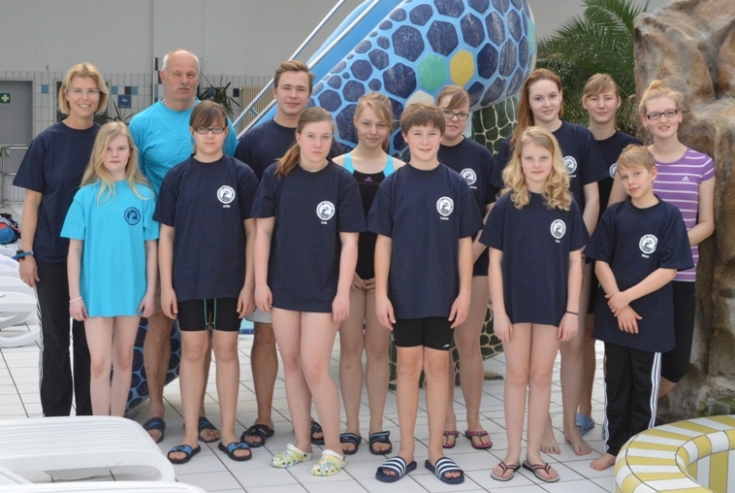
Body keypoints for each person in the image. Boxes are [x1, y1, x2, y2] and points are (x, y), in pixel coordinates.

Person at [493, 68, 607, 455]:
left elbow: (591, 198)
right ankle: (539, 432)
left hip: (574, 254)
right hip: (528, 265)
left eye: (551, 96)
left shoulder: (579, 137)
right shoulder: (517, 142)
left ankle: (571, 425)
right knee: (527, 362)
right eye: (537, 98)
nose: (545, 103)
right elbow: (505, 203)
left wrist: (579, 249)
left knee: (572, 344)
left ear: (561, 97)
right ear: (529, 102)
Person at [370, 102, 482, 485]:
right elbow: (382, 243)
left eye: (431, 133)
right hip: (403, 293)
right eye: (416, 133)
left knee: (437, 368)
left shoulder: (455, 184)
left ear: (441, 135)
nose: (424, 140)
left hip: (442, 293)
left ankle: (436, 453)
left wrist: (465, 292)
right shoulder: (394, 184)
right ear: (405, 138)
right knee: (406, 368)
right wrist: (381, 294)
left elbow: (466, 243)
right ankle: (406, 451)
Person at [129, 48, 237, 443]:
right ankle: (156, 407)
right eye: (177, 73)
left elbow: (227, 172)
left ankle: (200, 411)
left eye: (192, 73)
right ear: (162, 76)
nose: (185, 80)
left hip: (210, 246)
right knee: (159, 320)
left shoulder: (216, 120)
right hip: (162, 240)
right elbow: (133, 181)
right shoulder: (141, 125)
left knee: (204, 331)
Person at [251, 107, 365, 476]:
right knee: (294, 366)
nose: (318, 144)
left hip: (323, 290)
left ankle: (333, 448)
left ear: (333, 140)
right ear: (297, 138)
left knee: (316, 367)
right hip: (284, 288)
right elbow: (263, 232)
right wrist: (261, 282)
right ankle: (301, 442)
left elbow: (350, 243)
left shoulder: (342, 181)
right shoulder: (276, 175)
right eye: (311, 136)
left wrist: (342, 292)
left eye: (325, 137)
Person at [155, 102, 258, 464]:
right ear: (192, 133)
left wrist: (249, 285)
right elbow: (165, 236)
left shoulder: (241, 175)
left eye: (217, 130)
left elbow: (252, 233)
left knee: (227, 352)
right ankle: (189, 435)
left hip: (229, 282)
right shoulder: (177, 177)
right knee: (194, 353)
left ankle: (228, 433)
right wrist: (167, 286)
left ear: (226, 133)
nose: (211, 136)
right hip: (188, 281)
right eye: (204, 130)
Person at [484, 126, 586, 483]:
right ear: (520, 162)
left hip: (552, 307)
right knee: (516, 376)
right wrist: (498, 310)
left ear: (553, 160)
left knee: (541, 377)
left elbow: (576, 262)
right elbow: (494, 262)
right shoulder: (505, 205)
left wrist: (572, 310)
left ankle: (533, 453)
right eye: (530, 158)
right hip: (514, 305)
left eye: (543, 158)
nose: (537, 164)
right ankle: (512, 453)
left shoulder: (566, 205)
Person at [235, 60, 328, 447]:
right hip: (268, 261)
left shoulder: (323, 140)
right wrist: (254, 275)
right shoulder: (254, 142)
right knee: (265, 337)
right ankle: (263, 416)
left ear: (309, 94)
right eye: (286, 88)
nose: (293, 95)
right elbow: (248, 211)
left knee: (309, 349)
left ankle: (308, 419)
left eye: (300, 89)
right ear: (275, 91)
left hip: (312, 266)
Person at [586, 145, 693, 471]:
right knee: (616, 383)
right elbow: (600, 260)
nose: (631, 181)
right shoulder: (614, 215)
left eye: (637, 174)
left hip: (651, 320)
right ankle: (613, 447)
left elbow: (669, 270)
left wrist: (626, 298)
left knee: (644, 387)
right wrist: (618, 303)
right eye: (625, 176)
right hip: (616, 318)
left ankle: (637, 451)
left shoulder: (669, 216)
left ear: (652, 174)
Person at [14, 62, 109, 417]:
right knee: (55, 340)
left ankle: (89, 412)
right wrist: (26, 253)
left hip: (94, 257)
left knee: (89, 341)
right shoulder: (47, 142)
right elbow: (33, 202)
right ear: (65, 95)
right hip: (53, 253)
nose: (85, 98)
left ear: (100, 97)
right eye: (78, 90)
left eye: (91, 91)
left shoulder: (106, 140)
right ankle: (54, 416)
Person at [609, 80, 715, 397]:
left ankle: (641, 409)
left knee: (675, 363)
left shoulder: (701, 164)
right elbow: (613, 215)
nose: (663, 119)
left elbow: (707, 223)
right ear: (645, 120)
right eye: (655, 115)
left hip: (679, 275)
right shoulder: (633, 164)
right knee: (629, 355)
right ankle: (625, 422)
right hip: (635, 276)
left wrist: (670, 251)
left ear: (680, 116)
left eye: (669, 112)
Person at [61, 122, 158, 417]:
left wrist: (151, 292)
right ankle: (100, 426)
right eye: (109, 149)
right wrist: (75, 296)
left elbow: (151, 248)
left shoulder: (143, 196)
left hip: (131, 291)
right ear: (99, 153)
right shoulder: (86, 196)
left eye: (121, 148)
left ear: (130, 152)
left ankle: (118, 423)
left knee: (125, 359)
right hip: (96, 292)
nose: (115, 154)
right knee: (100, 363)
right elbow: (74, 250)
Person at [333, 92, 405, 456]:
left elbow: (403, 233)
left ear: (389, 127)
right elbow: (330, 232)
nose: (373, 130)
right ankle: (351, 426)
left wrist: (386, 278)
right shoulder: (337, 167)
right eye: (366, 123)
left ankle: (377, 426)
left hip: (382, 281)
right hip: (348, 278)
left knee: (378, 352)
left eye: (380, 124)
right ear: (354, 124)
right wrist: (345, 278)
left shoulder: (399, 171)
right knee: (349, 351)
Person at [576, 74, 642, 436]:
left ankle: (613, 415)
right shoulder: (575, 141)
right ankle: (583, 411)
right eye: (594, 98)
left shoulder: (630, 147)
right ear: (584, 102)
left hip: (620, 258)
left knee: (615, 339)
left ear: (619, 102)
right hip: (583, 253)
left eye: (608, 98)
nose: (601, 105)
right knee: (585, 335)